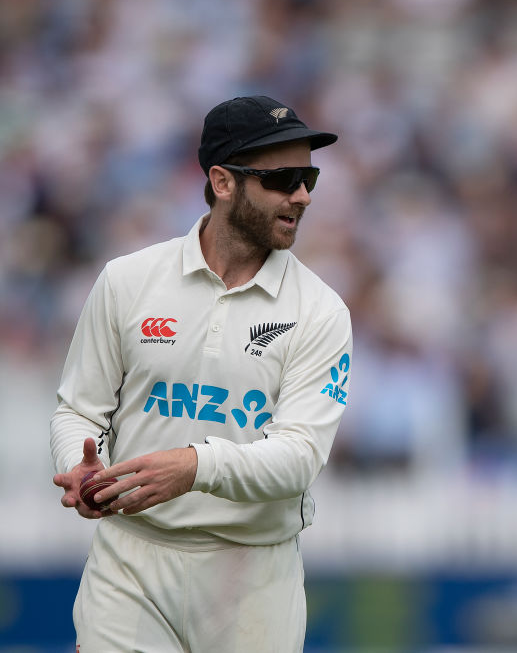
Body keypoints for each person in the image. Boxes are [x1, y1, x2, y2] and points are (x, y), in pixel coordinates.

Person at [50, 95, 350, 651]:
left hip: (252, 575)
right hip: (130, 562)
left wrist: (194, 466)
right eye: (283, 177)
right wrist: (80, 466)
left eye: (308, 176)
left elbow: (300, 458)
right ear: (222, 181)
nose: (302, 195)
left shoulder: (320, 310)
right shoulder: (127, 281)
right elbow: (79, 408)